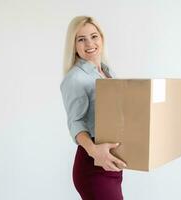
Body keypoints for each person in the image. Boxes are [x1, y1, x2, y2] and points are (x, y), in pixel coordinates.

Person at [60, 16, 127, 200]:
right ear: (73, 45)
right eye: (81, 39)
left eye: (94, 36)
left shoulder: (107, 72)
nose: (89, 43)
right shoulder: (74, 79)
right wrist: (94, 151)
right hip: (93, 165)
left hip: (110, 163)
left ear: (101, 38)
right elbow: (75, 122)